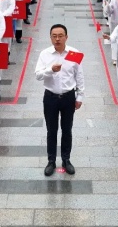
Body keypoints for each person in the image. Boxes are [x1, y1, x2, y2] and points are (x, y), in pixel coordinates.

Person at [35, 24, 85, 176]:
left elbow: (79, 76)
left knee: (67, 129)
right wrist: (51, 70)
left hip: (68, 97)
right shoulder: (45, 54)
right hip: (50, 97)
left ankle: (66, 159)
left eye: (60, 35)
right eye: (54, 36)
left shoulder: (74, 53)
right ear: (50, 37)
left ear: (66, 37)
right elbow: (37, 75)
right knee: (51, 130)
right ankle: (51, 161)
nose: (57, 39)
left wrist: (80, 96)